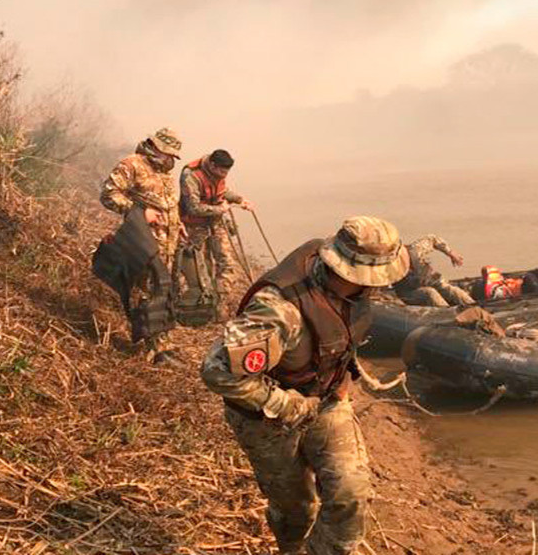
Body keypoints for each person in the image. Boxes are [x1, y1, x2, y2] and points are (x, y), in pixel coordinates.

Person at [201, 216, 410, 555]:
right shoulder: (279, 310)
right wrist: (288, 405)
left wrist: (344, 375)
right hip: (267, 418)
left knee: (350, 495)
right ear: (347, 271)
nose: (381, 287)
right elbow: (217, 370)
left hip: (325, 402)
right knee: (297, 510)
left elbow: (339, 332)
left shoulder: (351, 292)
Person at [100, 127, 184, 363]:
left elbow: (167, 204)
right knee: (150, 290)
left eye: (172, 157)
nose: (170, 160)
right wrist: (138, 211)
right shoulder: (132, 164)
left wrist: (178, 223)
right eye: (167, 154)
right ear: (155, 147)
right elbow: (108, 195)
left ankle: (163, 343)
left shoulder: (165, 172)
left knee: (164, 289)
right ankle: (155, 349)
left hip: (168, 243)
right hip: (144, 240)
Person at [178, 149, 253, 311]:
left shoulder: (219, 174)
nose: (224, 175)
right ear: (212, 165)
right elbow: (193, 208)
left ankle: (219, 305)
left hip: (216, 223)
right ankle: (203, 304)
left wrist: (240, 200)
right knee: (202, 268)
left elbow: (223, 191)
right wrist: (221, 210)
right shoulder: (191, 176)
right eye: (221, 171)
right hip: (195, 227)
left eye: (227, 172)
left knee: (228, 264)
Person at [392, 234, 474, 307]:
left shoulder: (414, 250)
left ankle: (475, 307)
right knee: (430, 293)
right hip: (409, 291)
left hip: (430, 281)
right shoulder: (386, 266)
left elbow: (433, 239)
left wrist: (451, 253)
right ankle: (448, 314)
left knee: (451, 290)